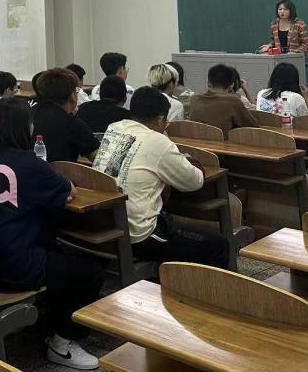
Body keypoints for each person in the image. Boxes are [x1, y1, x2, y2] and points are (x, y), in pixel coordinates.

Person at [0, 97, 104, 370]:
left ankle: (48, 323)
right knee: (90, 272)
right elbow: (68, 190)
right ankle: (62, 345)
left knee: (59, 253)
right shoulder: (28, 163)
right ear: (25, 127)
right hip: (17, 265)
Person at [93, 87, 230, 269]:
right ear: (160, 120)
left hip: (107, 226)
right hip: (139, 236)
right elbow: (194, 181)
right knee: (219, 245)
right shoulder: (158, 141)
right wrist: (187, 157)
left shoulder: (114, 127)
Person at [32, 68, 98, 163]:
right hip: (60, 172)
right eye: (76, 91)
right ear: (72, 96)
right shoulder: (71, 123)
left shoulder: (29, 113)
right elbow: (97, 157)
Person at [189, 64, 259, 137]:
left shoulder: (194, 99)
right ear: (231, 85)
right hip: (223, 143)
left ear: (209, 83)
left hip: (195, 142)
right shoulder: (233, 101)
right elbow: (253, 127)